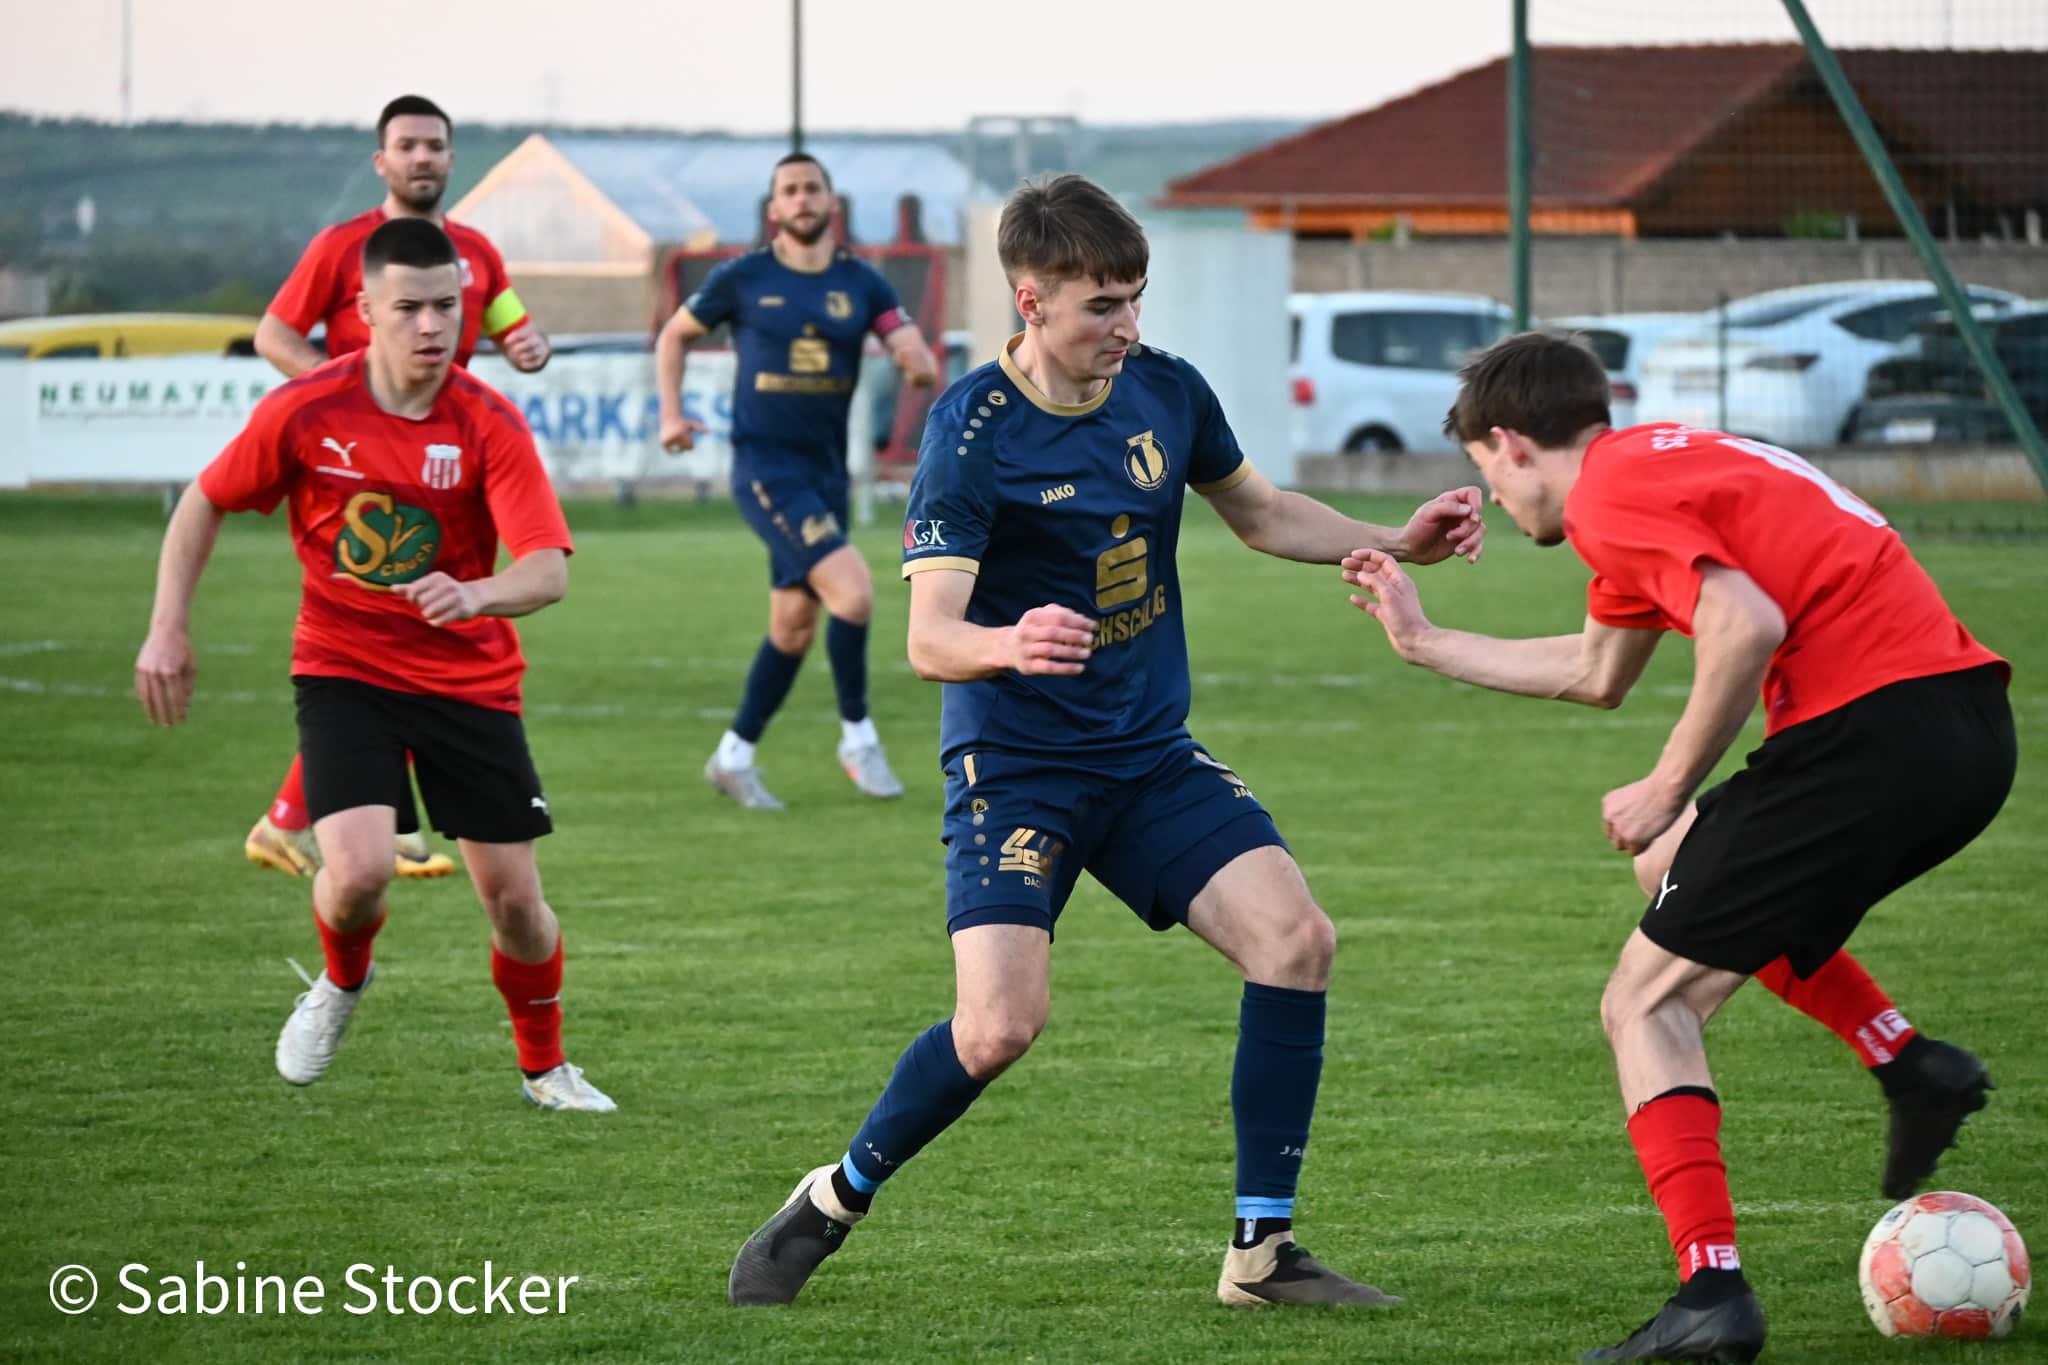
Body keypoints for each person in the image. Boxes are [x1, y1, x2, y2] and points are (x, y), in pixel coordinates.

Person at [726, 173, 1488, 1308]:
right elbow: (931, 639)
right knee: (998, 1028)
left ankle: (1261, 1252)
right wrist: (1010, 641)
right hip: (1018, 768)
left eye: (1134, 299)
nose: (1126, 326)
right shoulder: (972, 431)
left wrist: (1396, 540)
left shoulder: (1165, 391)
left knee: (1295, 940)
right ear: (1029, 301)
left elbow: (1261, 511)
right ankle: (833, 1197)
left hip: (1144, 755)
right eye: (1101, 306)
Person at [1344, 331, 2012, 1362]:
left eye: (1484, 470)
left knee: (1643, 1003)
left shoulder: (1610, 495)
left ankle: (1711, 1294)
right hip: (1961, 729)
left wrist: (1666, 784)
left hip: (1868, 739)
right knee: (1667, 867)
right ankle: (1908, 1061)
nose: (1497, 499)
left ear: (1510, 443)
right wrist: (1424, 642)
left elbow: (1743, 622)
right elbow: (1596, 669)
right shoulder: (1659, 466)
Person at [135, 217, 614, 1113]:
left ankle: (546, 1067)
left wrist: (475, 593)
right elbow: (204, 499)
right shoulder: (307, 408)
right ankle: (342, 979)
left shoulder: (488, 420)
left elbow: (547, 568)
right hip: (343, 668)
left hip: (469, 682)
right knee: (356, 875)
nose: (432, 326)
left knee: (514, 902)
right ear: (364, 311)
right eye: (409, 308)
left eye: (447, 307)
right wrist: (168, 628)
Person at [245, 93, 553, 882]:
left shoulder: (478, 253)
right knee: (376, 634)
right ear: (381, 161)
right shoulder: (341, 247)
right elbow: (273, 333)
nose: (423, 158)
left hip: (451, 472)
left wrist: (528, 345)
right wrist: (339, 401)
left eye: (435, 146)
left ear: (451, 159)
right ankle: (337, 824)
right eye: (407, 146)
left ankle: (314, 820)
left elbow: (514, 328)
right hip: (363, 479)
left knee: (424, 632)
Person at [656, 151, 938, 811]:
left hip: (826, 475)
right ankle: (858, 738)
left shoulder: (862, 283)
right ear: (774, 207)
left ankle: (733, 757)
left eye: (813, 188)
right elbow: (674, 336)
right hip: (766, 468)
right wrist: (671, 413)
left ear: (830, 202)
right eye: (790, 190)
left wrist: (915, 359)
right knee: (855, 593)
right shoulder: (744, 277)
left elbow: (905, 340)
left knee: (792, 628)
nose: (803, 198)